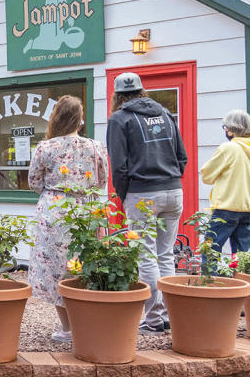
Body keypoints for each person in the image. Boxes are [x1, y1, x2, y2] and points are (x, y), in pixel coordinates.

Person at [106, 71, 187, 335]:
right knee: (166, 255)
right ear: (142, 91)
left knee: (146, 255)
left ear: (118, 95)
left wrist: (124, 194)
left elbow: (119, 165)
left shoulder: (119, 119)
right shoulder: (165, 114)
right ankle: (170, 316)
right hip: (173, 190)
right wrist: (172, 178)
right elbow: (181, 156)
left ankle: (153, 320)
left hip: (142, 193)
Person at [28, 95, 108, 343]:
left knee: (58, 270)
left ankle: (67, 328)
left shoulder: (45, 148)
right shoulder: (95, 147)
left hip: (56, 211)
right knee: (86, 265)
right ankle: (89, 324)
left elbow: (34, 182)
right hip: (88, 211)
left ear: (57, 117)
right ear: (80, 119)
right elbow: (103, 180)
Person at [200, 109, 250, 256]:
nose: (225, 130)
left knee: (210, 251)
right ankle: (240, 278)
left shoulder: (228, 148)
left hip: (226, 207)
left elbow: (206, 175)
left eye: (225, 127)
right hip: (248, 208)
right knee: (241, 256)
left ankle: (211, 279)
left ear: (232, 130)